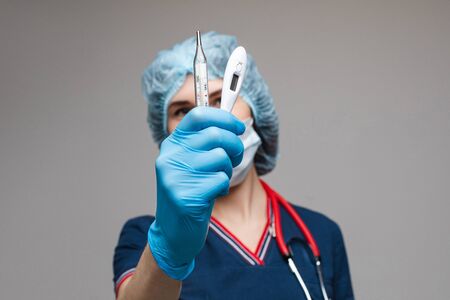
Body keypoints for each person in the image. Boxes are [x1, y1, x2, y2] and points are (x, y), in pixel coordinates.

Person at [113, 32, 354, 300]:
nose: (204, 117)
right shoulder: (145, 235)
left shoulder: (319, 234)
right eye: (182, 111)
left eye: (218, 100)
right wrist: (169, 246)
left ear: (254, 108)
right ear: (167, 133)